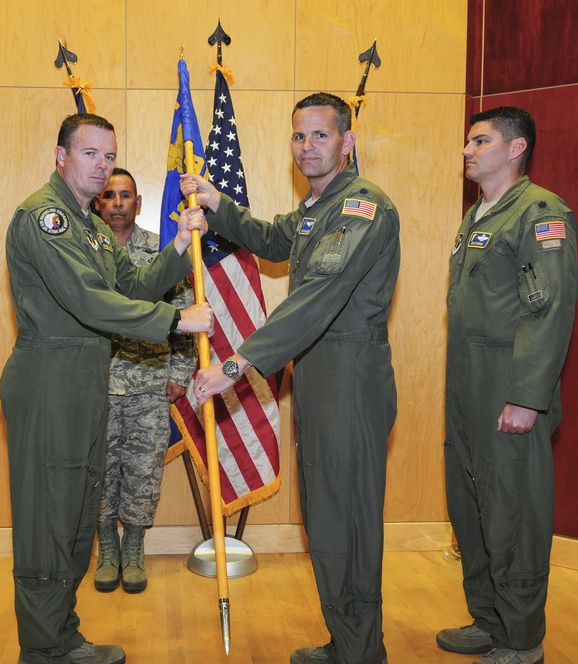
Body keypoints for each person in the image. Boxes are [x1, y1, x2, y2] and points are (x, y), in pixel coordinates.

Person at [182, 92, 399, 664]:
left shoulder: (363, 208)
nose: (306, 148)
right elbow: (276, 239)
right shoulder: (315, 209)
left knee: (347, 517)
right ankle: (350, 641)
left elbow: (314, 300)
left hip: (350, 380)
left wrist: (235, 365)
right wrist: (217, 202)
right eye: (298, 137)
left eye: (320, 136)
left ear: (348, 142)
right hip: (320, 377)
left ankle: (361, 652)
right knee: (326, 516)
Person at [0, 113, 213, 664]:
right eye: (90, 153)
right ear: (61, 155)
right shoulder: (45, 218)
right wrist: (174, 321)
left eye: (109, 155)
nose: (102, 166)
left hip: (87, 378)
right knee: (49, 518)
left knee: (74, 517)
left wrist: (178, 245)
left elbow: (134, 284)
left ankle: (62, 635)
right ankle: (42, 649)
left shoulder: (90, 225)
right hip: (50, 382)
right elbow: (89, 299)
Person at [436, 107, 578, 664]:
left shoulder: (541, 212)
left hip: (509, 381)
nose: (467, 150)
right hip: (466, 381)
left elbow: (550, 312)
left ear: (516, 148)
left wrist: (527, 395)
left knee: (513, 509)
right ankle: (489, 619)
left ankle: (522, 641)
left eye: (480, 141)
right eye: (467, 141)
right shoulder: (477, 216)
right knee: (470, 505)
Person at [90, 168, 196, 594]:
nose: (117, 203)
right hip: (96, 383)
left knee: (142, 469)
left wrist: (180, 373)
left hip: (150, 382)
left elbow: (185, 310)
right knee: (99, 470)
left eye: (126, 195)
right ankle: (107, 550)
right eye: (109, 195)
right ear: (98, 203)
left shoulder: (160, 251)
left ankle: (133, 547)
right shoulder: (85, 250)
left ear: (139, 202)